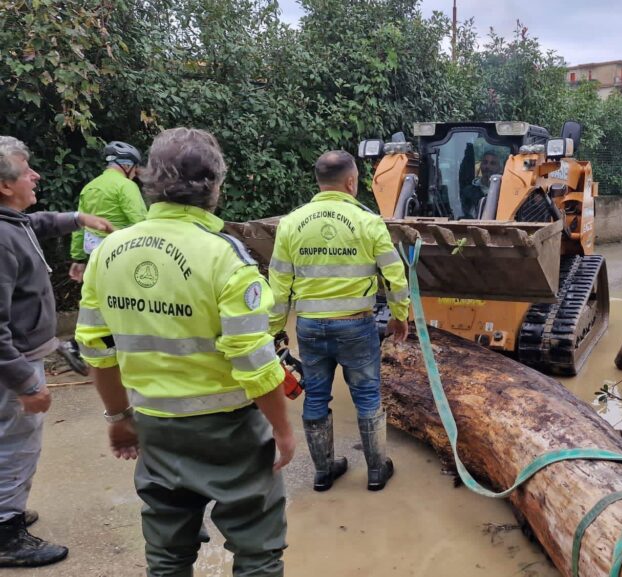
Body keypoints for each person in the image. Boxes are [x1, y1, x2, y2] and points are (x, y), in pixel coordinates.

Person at [74, 128, 295, 576]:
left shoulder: (108, 253)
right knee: (257, 552)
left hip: (155, 428)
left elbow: (96, 349)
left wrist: (119, 419)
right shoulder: (226, 257)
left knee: (167, 555)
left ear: (149, 179)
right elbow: (253, 361)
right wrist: (282, 429)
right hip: (230, 431)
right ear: (215, 186)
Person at [0, 135, 112, 567]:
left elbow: (39, 222)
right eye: (26, 169)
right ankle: (6, 532)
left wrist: (78, 218)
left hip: (21, 357)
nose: (35, 175)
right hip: (14, 366)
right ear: (6, 185)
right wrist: (27, 382)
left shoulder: (13, 222)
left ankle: (4, 510)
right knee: (16, 442)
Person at [269, 150, 410, 493]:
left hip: (310, 327)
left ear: (318, 181)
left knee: (315, 395)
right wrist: (399, 316)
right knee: (366, 395)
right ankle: (376, 470)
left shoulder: (291, 223)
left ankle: (323, 472)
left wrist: (275, 330)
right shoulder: (368, 222)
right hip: (356, 326)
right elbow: (395, 275)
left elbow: (278, 286)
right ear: (351, 181)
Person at [68, 141, 147, 282]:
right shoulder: (126, 186)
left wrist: (78, 258)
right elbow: (141, 222)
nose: (135, 174)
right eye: (135, 169)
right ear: (127, 165)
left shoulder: (89, 187)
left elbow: (79, 225)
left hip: (94, 255)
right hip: (121, 254)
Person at [459, 150, 501, 218]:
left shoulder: (504, 193)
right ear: (480, 165)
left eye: (492, 163)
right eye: (485, 162)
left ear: (500, 168)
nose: (487, 166)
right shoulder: (468, 192)